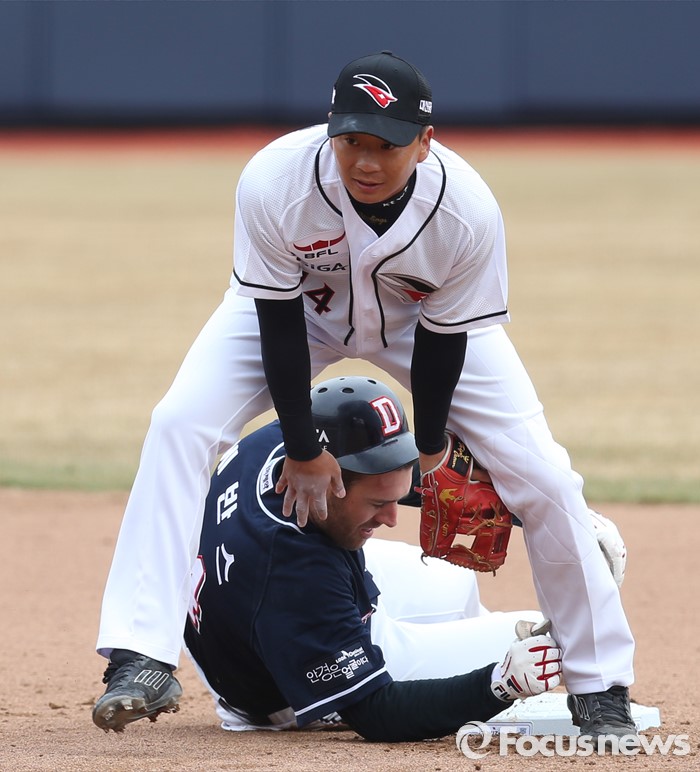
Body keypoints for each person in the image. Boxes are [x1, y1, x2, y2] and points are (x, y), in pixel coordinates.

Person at [93, 51, 636, 739]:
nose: (366, 161)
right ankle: (140, 654)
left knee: (546, 475)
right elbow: (277, 323)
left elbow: (443, 342)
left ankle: (598, 683)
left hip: (420, 325)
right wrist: (303, 447)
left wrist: (432, 450)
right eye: (352, 141)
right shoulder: (277, 181)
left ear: (425, 142)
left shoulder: (465, 211)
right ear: (330, 132)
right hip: (299, 315)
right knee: (179, 422)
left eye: (387, 144)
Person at [190, 376, 564, 740]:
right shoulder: (295, 573)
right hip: (279, 686)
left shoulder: (296, 442)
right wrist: (498, 683)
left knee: (456, 581)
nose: (392, 518)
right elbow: (376, 713)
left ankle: (463, 649)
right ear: (329, 483)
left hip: (249, 625)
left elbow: (386, 473)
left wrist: (550, 517)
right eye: (377, 504)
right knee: (541, 636)